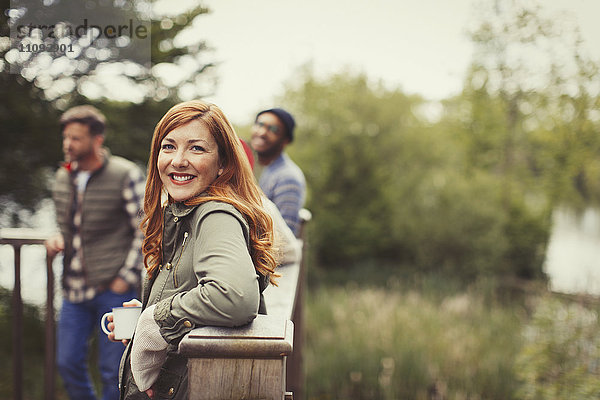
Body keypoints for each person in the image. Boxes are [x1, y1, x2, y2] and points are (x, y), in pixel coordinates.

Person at [109, 100, 278, 400]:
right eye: (169, 146)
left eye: (196, 148)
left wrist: (155, 322)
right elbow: (192, 290)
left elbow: (235, 296)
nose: (178, 160)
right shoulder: (180, 212)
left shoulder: (215, 213)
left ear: (223, 163)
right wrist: (149, 309)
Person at [44, 105, 145, 400]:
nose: (67, 144)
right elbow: (69, 226)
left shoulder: (125, 173)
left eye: (75, 138)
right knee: (67, 362)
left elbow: (145, 229)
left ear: (97, 139)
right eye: (66, 137)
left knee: (113, 370)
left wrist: (125, 278)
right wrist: (55, 239)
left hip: (114, 290)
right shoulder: (63, 177)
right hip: (73, 289)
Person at [250, 108, 306, 236]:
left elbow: (285, 238)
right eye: (260, 124)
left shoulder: (288, 177)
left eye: (273, 129)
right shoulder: (263, 168)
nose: (262, 132)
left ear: (285, 140)